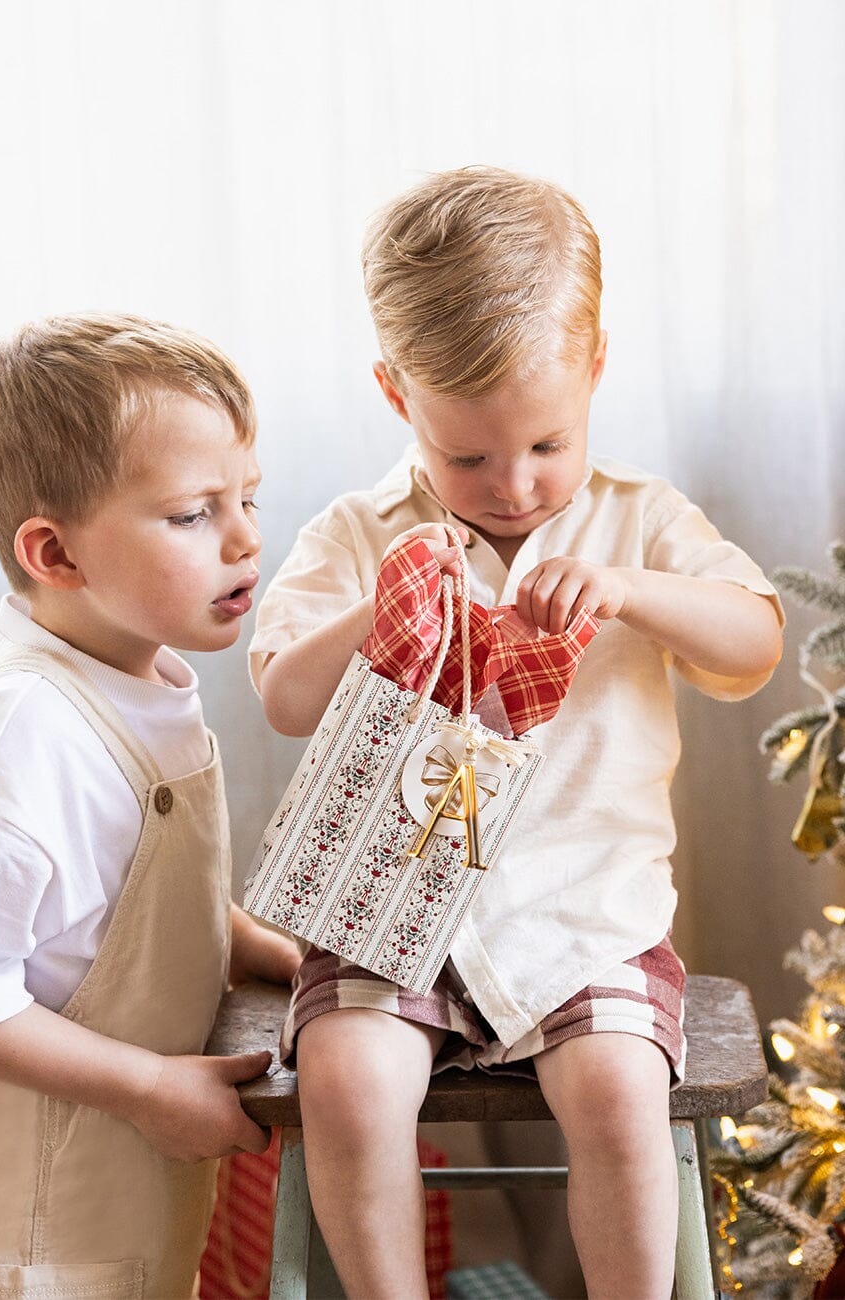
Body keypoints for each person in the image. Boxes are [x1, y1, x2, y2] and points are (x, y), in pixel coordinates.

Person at [249, 168, 784, 1300]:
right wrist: (379, 606)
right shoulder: (359, 531)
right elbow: (283, 700)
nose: (514, 486)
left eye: (547, 444)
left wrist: (632, 592)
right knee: (346, 1083)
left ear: (594, 371)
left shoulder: (639, 516)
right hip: (390, 913)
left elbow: (751, 645)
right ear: (398, 398)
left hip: (584, 915)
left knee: (618, 1095)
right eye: (468, 458)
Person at [0, 312, 301, 1299]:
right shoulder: (23, 737)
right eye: (192, 513)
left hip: (127, 1219)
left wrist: (247, 944)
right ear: (55, 554)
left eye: (248, 498)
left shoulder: (140, 685)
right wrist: (148, 1087)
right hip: (30, 1247)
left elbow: (102, 903)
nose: (243, 538)